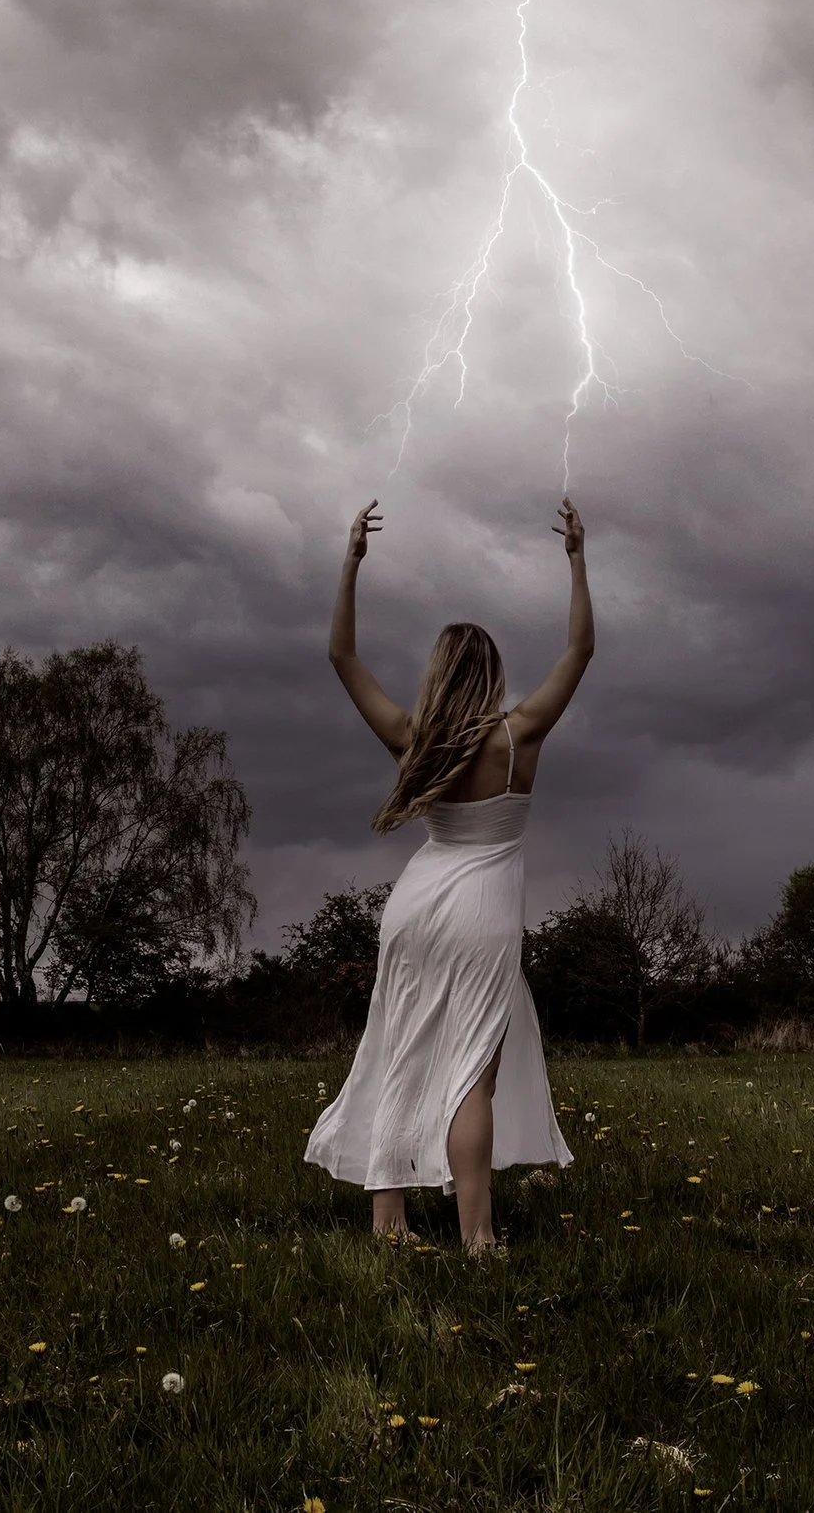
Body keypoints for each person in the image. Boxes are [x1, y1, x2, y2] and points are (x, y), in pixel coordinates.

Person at [303, 495, 593, 1252]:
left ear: (439, 673)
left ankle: (390, 1224)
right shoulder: (518, 733)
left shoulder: (412, 739)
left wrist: (351, 563)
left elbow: (340, 656)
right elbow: (580, 652)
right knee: (470, 1073)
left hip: (417, 905)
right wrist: (576, 558)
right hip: (482, 915)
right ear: (491, 673)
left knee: (401, 1051)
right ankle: (478, 1237)